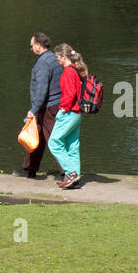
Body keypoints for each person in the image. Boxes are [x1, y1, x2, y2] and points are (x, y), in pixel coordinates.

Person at [23, 33, 63, 180]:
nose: (31, 48)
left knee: (54, 140)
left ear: (39, 45)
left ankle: (66, 172)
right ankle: (29, 169)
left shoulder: (43, 64)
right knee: (36, 137)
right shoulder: (53, 58)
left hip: (47, 107)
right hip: (54, 104)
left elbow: (42, 89)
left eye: (32, 45)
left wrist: (33, 109)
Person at [48, 43, 89, 189]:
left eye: (57, 57)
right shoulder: (75, 70)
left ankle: (70, 173)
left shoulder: (68, 72)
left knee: (53, 142)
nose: (56, 59)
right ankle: (75, 178)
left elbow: (70, 94)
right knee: (72, 145)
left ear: (63, 57)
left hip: (69, 112)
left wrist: (63, 108)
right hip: (77, 113)